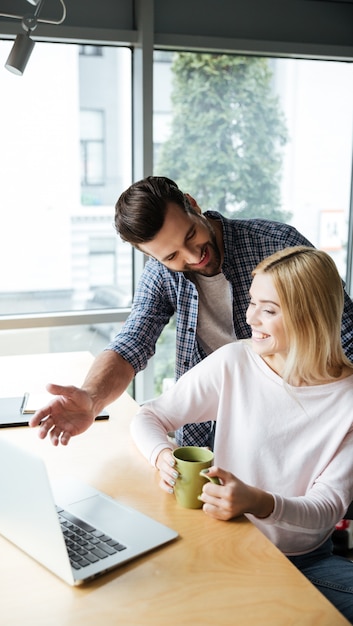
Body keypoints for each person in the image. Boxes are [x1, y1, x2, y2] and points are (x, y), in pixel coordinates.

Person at [30, 176, 353, 448]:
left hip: (295, 421)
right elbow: (132, 342)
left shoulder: (276, 244)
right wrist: (92, 398)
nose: (193, 255)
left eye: (190, 235)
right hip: (206, 432)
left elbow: (346, 333)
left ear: (192, 204)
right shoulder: (160, 274)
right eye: (172, 255)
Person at [130, 246, 353, 623]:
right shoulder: (236, 361)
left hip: (303, 562)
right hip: (223, 542)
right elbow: (149, 415)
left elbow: (326, 509)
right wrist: (162, 456)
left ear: (310, 316)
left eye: (269, 310)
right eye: (252, 303)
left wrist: (257, 501)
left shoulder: (347, 400)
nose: (250, 317)